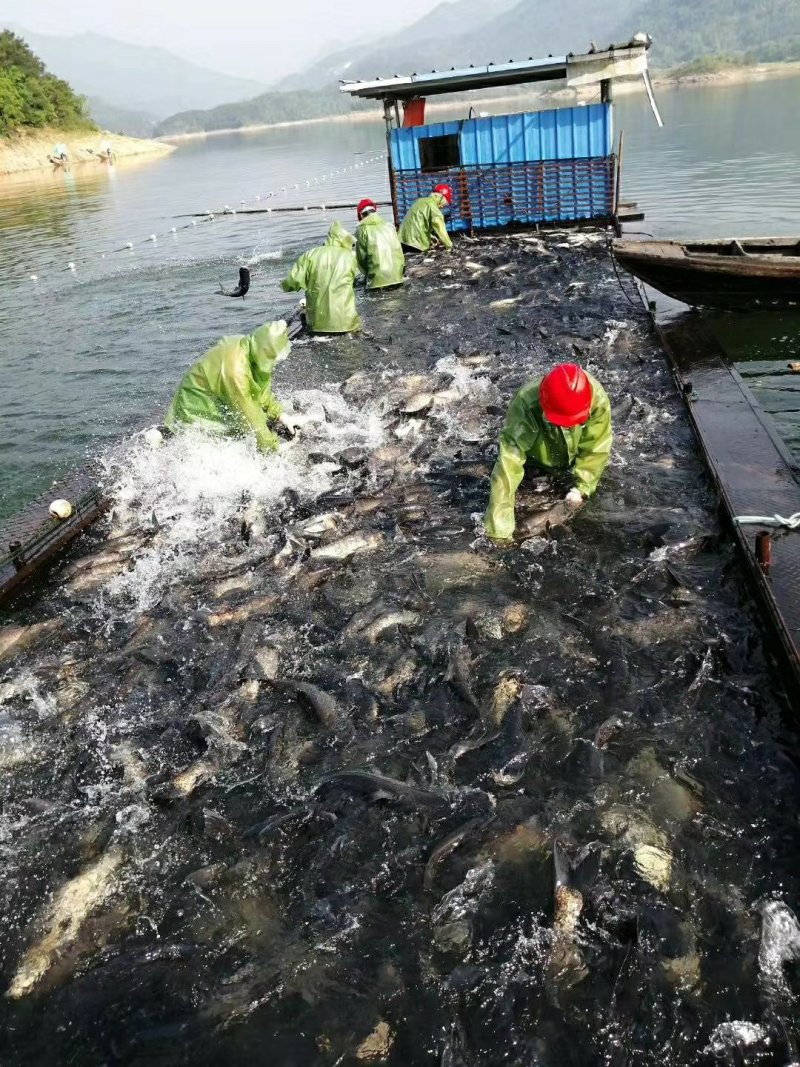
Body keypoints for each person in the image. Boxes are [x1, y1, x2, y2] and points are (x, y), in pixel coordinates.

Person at [483, 363, 612, 541]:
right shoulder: (525, 402)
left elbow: (596, 446)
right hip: (534, 460)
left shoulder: (596, 398)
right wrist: (499, 533)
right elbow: (509, 462)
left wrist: (582, 488)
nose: (565, 425)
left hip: (573, 457)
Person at [165, 320, 292, 453]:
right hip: (195, 404)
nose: (275, 361)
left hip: (214, 390)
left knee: (255, 423)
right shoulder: (235, 372)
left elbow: (261, 384)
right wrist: (272, 447)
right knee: (234, 439)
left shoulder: (246, 343)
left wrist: (280, 414)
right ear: (264, 351)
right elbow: (249, 415)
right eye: (273, 356)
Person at [280, 221, 361, 333]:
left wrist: (282, 284)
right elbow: (355, 279)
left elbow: (292, 282)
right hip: (346, 322)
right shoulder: (350, 257)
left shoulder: (310, 255)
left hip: (317, 324)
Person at [354, 198, 405, 290]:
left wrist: (368, 276)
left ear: (361, 215)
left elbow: (361, 259)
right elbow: (400, 252)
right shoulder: (390, 226)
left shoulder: (361, 230)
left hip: (378, 282)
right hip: (398, 277)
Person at [398, 184, 453, 253]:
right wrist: (449, 245)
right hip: (416, 243)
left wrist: (430, 236)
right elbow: (440, 228)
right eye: (444, 203)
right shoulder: (433, 208)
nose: (442, 206)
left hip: (403, 239)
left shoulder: (420, 201)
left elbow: (416, 222)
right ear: (441, 198)